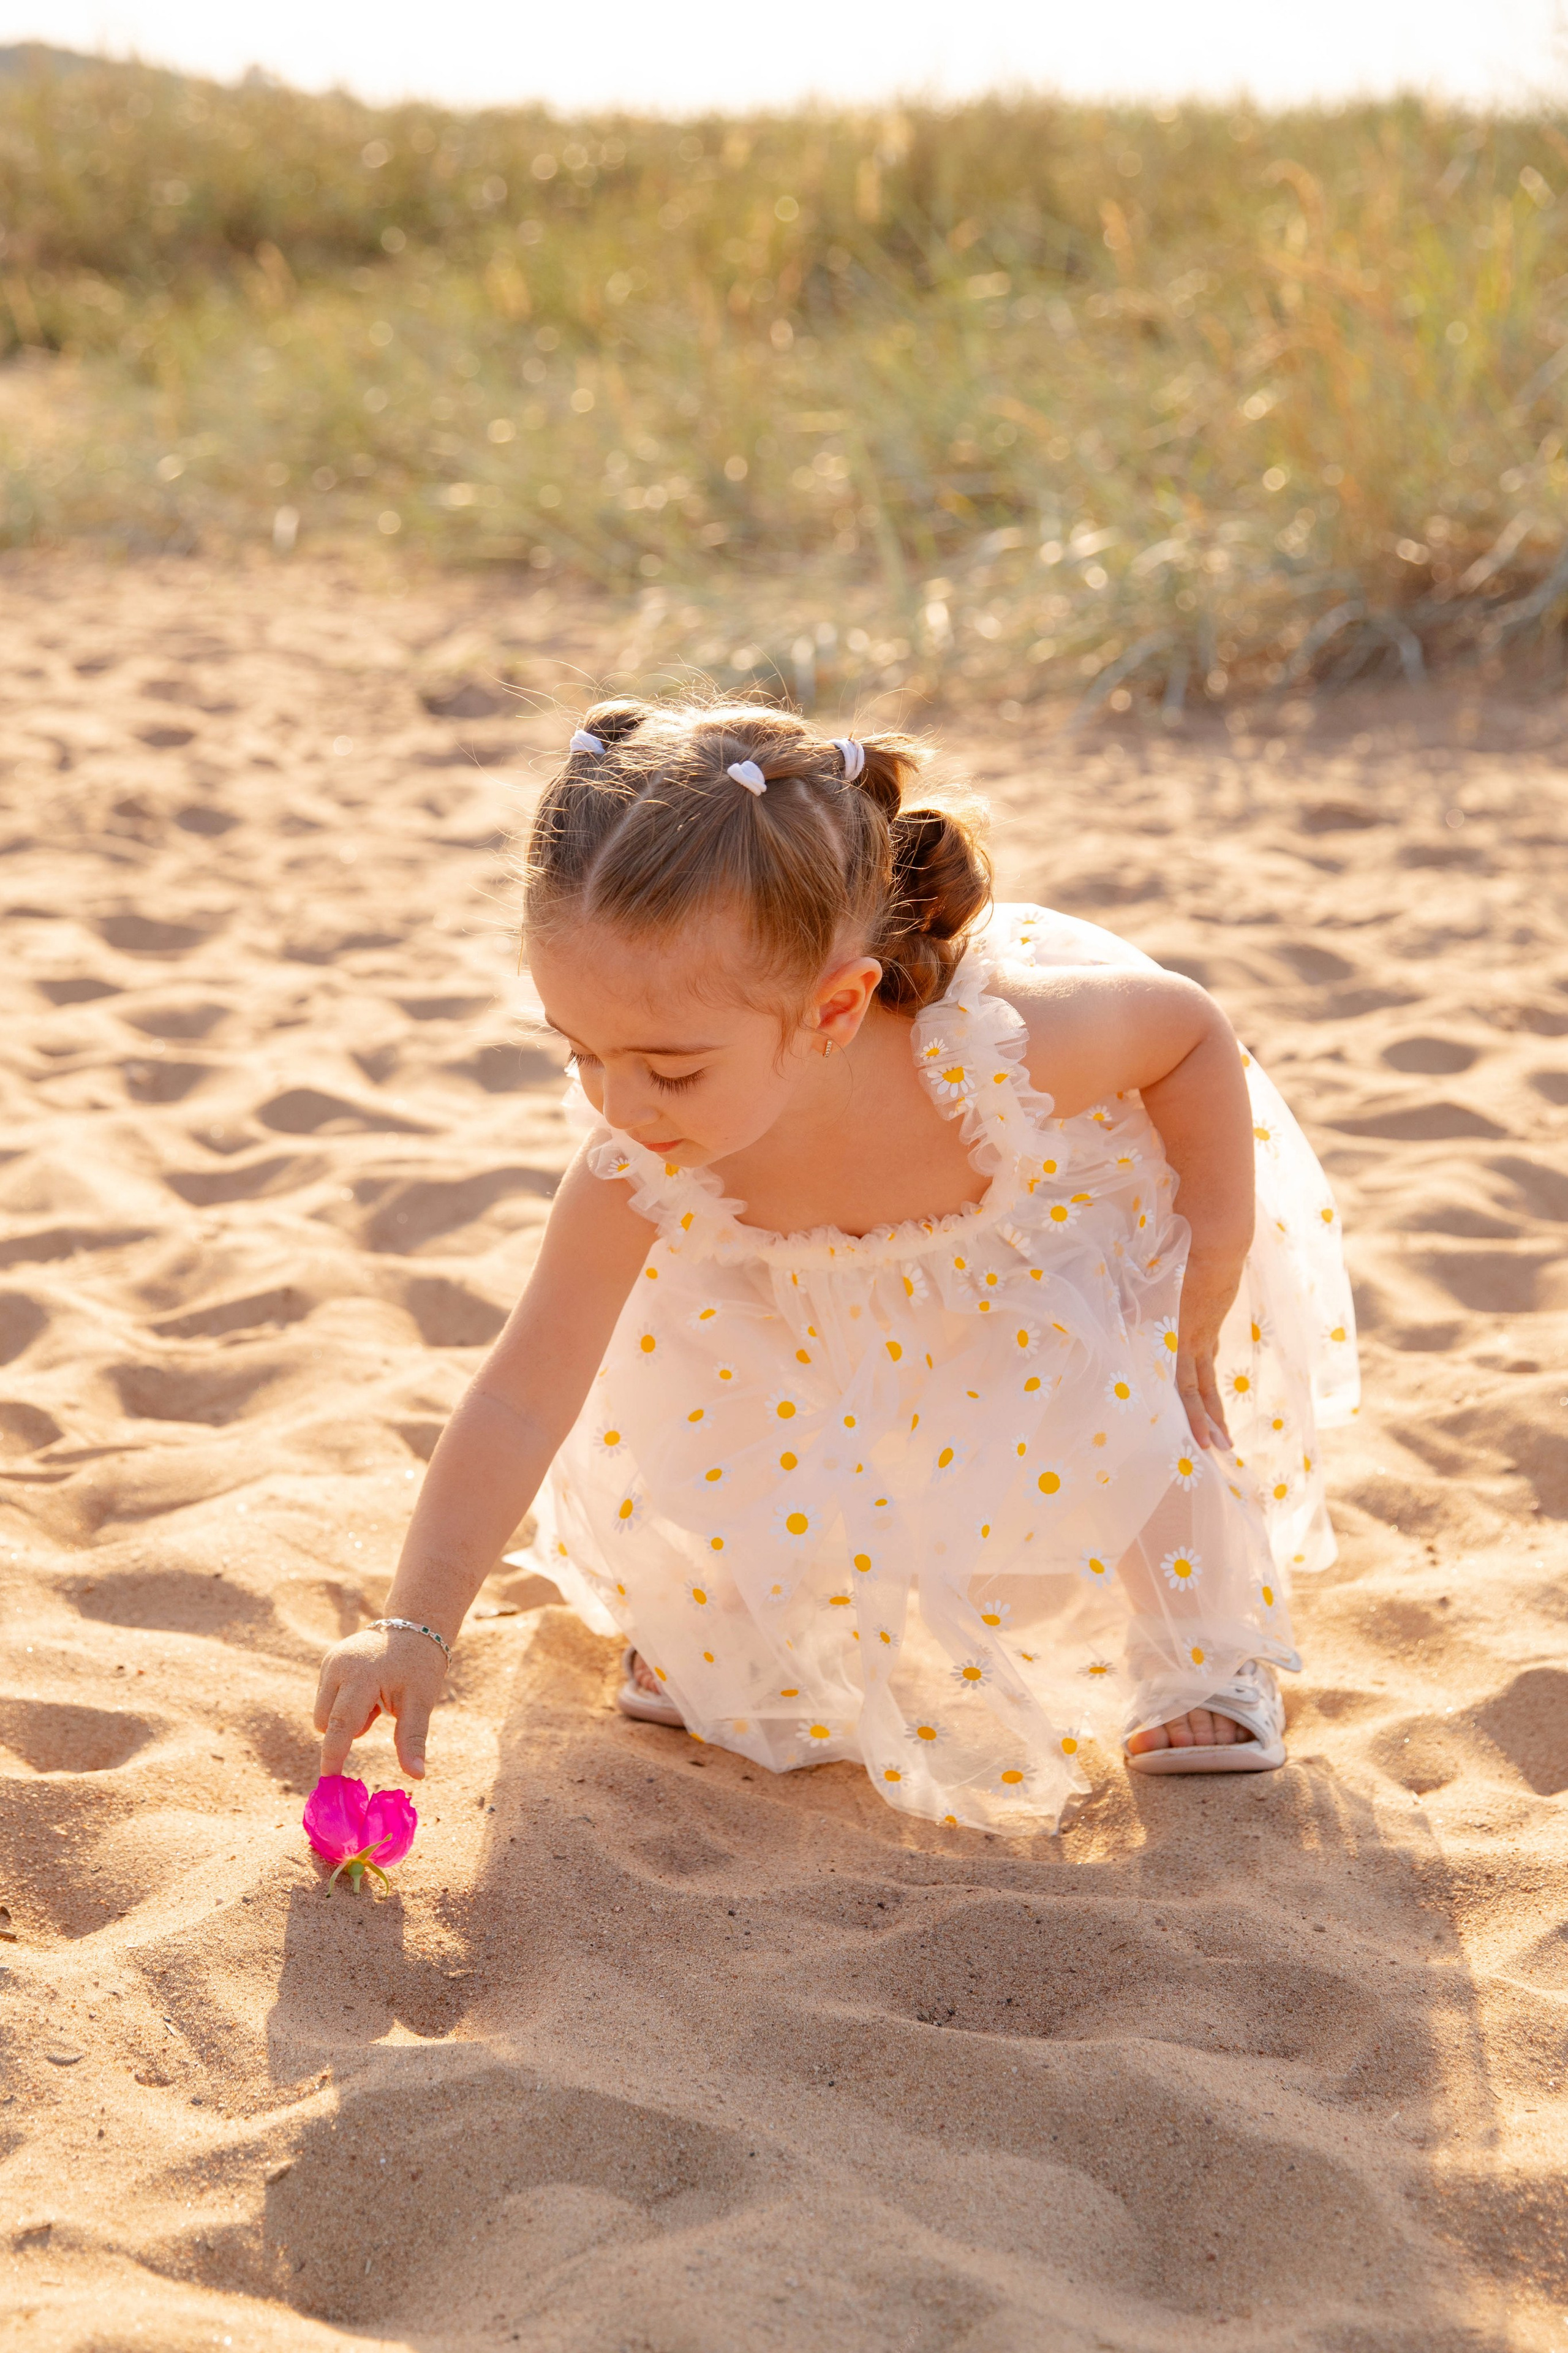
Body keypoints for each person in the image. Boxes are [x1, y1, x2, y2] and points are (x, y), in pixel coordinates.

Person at [314, 700, 1358, 1833]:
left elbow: (1189, 1030)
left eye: (668, 1068)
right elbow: (523, 1394)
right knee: (732, 1414)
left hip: (1038, 1248)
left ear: (836, 1006)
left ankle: (1201, 1658)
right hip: (785, 1306)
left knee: (1129, 1392)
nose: (616, 1105)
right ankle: (733, 1634)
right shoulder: (638, 1162)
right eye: (582, 1052)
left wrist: (1215, 1246)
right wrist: (413, 1625)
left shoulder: (999, 1053)